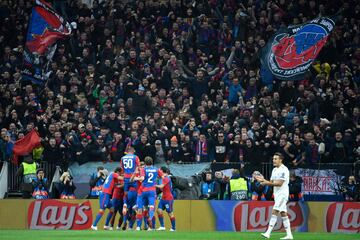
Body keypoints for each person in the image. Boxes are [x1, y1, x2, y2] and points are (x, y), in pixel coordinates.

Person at [255, 152, 293, 240]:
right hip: (277, 194)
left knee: (275, 211)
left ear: (281, 160)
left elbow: (279, 183)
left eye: (276, 159)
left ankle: (268, 233)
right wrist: (263, 180)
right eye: (273, 159)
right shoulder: (274, 169)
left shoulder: (284, 169)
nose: (274, 160)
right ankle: (289, 235)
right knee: (283, 213)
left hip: (282, 194)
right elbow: (271, 182)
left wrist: (265, 183)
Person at [133, 156, 163, 230]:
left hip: (143, 190)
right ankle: (150, 219)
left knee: (140, 208)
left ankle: (138, 227)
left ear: (145, 163)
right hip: (152, 190)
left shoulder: (144, 169)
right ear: (152, 162)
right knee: (151, 207)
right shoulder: (156, 169)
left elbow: (142, 178)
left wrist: (136, 178)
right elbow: (163, 177)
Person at [156, 166, 176, 231]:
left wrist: (153, 185)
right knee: (159, 210)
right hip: (163, 198)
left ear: (162, 171)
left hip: (168, 199)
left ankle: (173, 228)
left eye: (159, 171)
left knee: (170, 213)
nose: (158, 172)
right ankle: (162, 226)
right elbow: (162, 188)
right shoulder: (164, 178)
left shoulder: (166, 178)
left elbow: (161, 186)